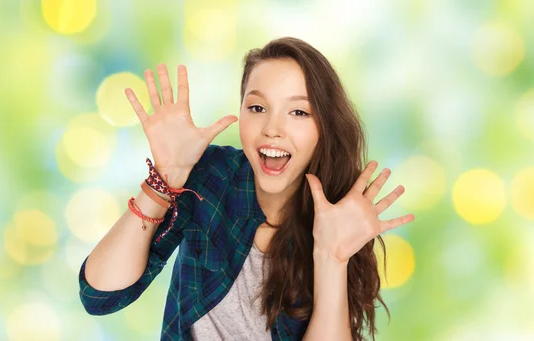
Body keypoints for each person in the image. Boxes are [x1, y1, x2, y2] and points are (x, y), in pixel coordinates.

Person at [78, 36, 415, 341]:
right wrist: (165, 179)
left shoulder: (341, 219)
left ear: (324, 127)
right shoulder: (212, 176)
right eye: (257, 108)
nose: (273, 129)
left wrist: (332, 257)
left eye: (298, 111)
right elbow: (100, 296)